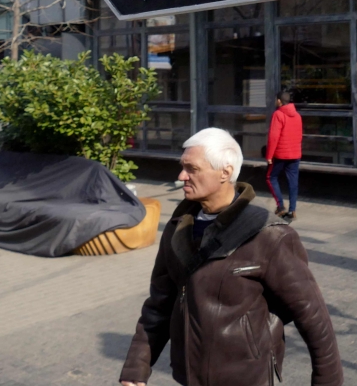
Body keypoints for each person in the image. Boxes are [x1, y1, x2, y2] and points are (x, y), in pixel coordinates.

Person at [119, 127, 342, 386]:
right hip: (189, 376)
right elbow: (159, 304)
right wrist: (137, 367)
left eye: (192, 169)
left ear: (225, 172)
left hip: (246, 377)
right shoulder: (178, 227)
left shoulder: (268, 234)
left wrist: (328, 381)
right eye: (182, 167)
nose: (181, 176)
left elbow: (313, 316)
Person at [266, 91, 303, 222]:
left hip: (280, 154)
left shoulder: (278, 114)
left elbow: (273, 136)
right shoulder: (297, 115)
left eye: (276, 100)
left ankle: (280, 206)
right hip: (295, 154)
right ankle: (292, 211)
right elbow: (299, 135)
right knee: (293, 182)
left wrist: (269, 155)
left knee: (271, 177)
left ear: (279, 101)